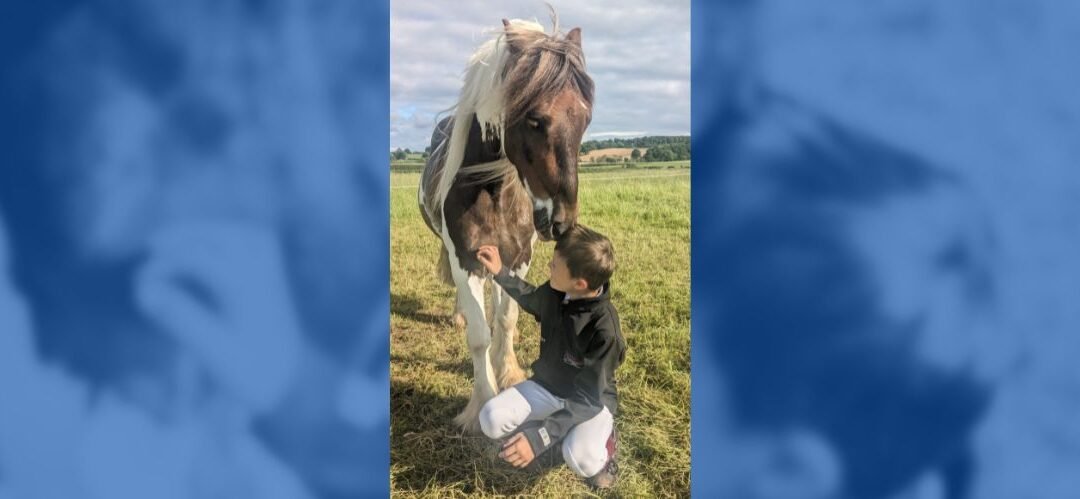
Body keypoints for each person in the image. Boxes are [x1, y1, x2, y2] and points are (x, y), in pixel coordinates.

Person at [474, 225, 625, 489]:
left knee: (581, 459)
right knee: (490, 419)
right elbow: (531, 298)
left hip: (588, 403)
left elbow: (588, 398)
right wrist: (500, 271)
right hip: (547, 387)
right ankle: (555, 426)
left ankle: (604, 442)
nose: (548, 266)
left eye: (555, 265)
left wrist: (540, 438)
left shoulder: (605, 332)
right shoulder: (558, 292)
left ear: (580, 284)